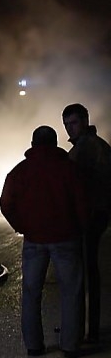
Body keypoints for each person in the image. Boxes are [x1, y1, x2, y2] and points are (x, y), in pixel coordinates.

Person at [0, 125, 88, 358]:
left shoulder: (19, 171)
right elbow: (81, 202)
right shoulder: (69, 169)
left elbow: (6, 203)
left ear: (32, 145)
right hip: (67, 238)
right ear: (56, 143)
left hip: (34, 239)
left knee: (31, 293)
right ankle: (70, 345)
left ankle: (34, 346)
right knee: (71, 292)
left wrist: (21, 226)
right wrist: (80, 227)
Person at [61, 103, 111, 342]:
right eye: (67, 125)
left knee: (86, 273)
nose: (70, 129)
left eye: (74, 123)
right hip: (95, 213)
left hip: (92, 215)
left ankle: (87, 329)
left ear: (85, 120)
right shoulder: (92, 146)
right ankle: (83, 326)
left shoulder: (88, 147)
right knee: (87, 271)